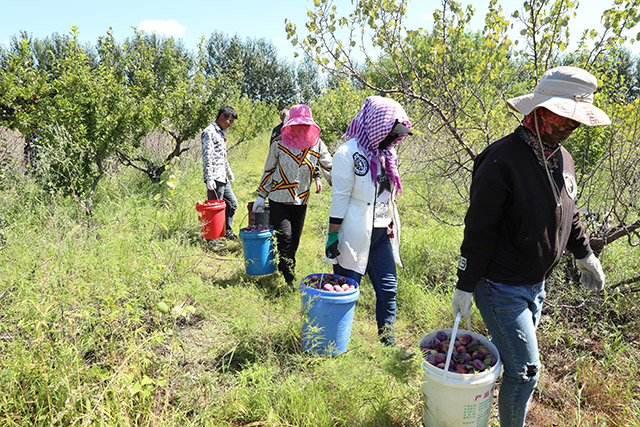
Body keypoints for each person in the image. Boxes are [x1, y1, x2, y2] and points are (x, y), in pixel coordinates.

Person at [450, 66, 610, 427]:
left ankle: (489, 411)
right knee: (526, 371)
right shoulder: (501, 160)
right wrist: (465, 283)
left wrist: (584, 253)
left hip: (535, 286)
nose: (572, 125)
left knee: (513, 364)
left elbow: (570, 209)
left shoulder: (562, 156)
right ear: (538, 110)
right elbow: (479, 229)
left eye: (576, 119)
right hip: (499, 286)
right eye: (564, 116)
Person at [324, 95, 413, 347]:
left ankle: (388, 345)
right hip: (352, 234)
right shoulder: (347, 153)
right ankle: (335, 342)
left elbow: (386, 194)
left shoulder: (386, 155)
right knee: (345, 291)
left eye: (396, 135)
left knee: (388, 290)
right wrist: (332, 236)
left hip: (380, 235)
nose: (393, 140)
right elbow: (340, 198)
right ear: (376, 125)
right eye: (390, 133)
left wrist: (389, 219)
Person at [253, 104, 332, 287]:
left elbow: (329, 166)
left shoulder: (317, 143)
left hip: (301, 199)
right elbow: (269, 169)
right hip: (278, 199)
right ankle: (290, 279)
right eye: (297, 124)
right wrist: (261, 195)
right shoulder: (278, 143)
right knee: (285, 238)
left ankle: (284, 265)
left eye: (304, 124)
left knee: (294, 240)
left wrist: (340, 185)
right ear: (289, 124)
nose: (300, 128)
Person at [201, 105, 239, 240]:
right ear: (222, 116)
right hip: (214, 177)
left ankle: (226, 231)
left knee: (232, 203)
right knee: (215, 210)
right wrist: (209, 178)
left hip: (223, 177)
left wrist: (229, 172)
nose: (230, 124)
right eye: (229, 121)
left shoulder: (220, 132)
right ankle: (212, 239)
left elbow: (222, 156)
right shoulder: (209, 132)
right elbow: (207, 156)